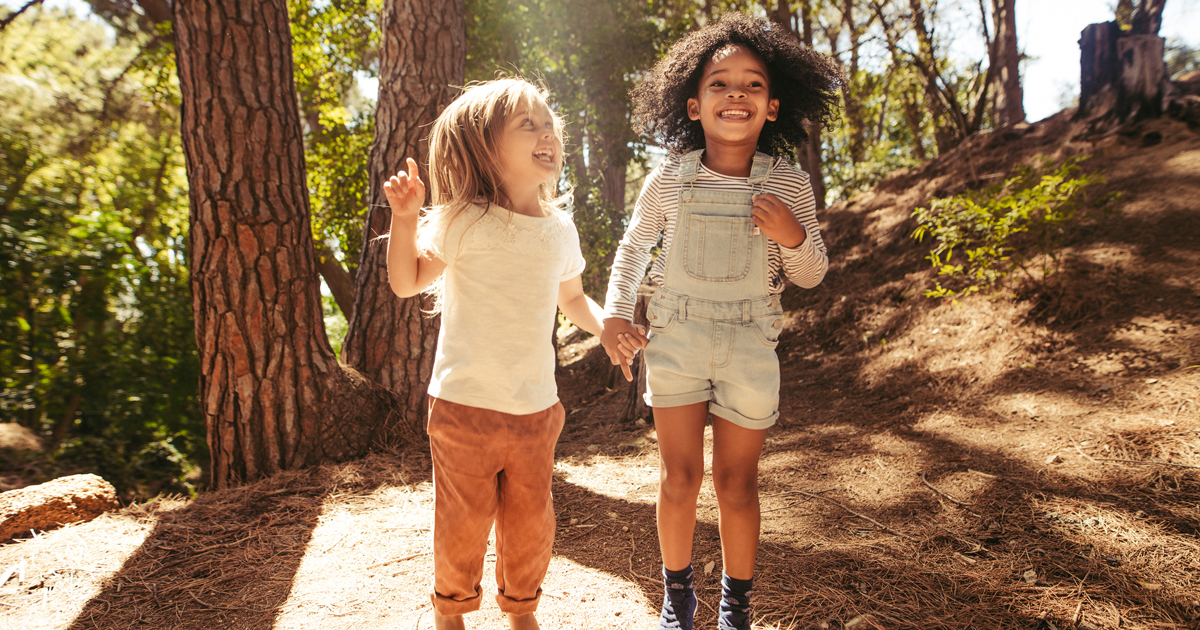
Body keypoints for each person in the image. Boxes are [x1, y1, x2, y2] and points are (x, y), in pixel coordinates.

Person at [599, 13, 843, 630]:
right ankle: (677, 597)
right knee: (678, 477)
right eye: (720, 83)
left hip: (750, 345)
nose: (737, 93)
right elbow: (632, 250)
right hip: (676, 338)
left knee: (736, 483)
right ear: (691, 105)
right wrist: (614, 313)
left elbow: (812, 272)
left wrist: (790, 235)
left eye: (753, 85)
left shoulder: (788, 179)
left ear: (774, 106)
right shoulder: (670, 180)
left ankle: (737, 604)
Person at [383, 78, 622, 630]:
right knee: (462, 525)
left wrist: (607, 328)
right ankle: (452, 613)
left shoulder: (560, 229)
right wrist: (404, 219)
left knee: (530, 526)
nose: (547, 133)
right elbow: (405, 282)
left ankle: (521, 611)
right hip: (463, 407)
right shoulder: (465, 220)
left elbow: (574, 298)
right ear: (485, 146)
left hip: (536, 410)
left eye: (549, 124)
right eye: (527, 124)